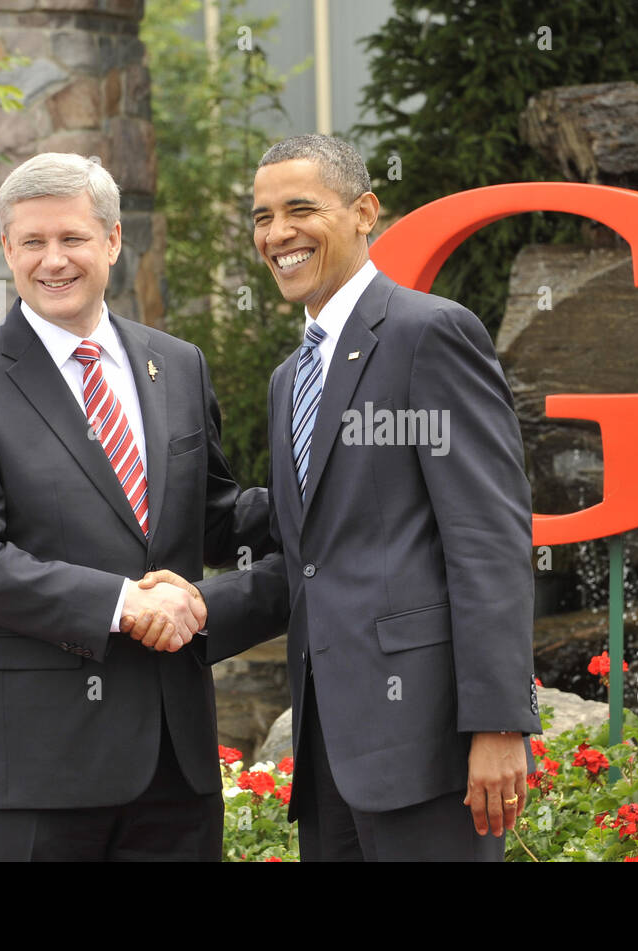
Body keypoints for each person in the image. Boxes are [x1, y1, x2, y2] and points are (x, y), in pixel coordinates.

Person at [136, 135, 540, 861]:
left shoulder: (430, 334)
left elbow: (488, 540)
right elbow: (310, 555)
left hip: (430, 747)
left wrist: (500, 723)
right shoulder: (291, 376)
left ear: (364, 212)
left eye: (300, 209)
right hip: (329, 754)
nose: (277, 234)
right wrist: (198, 606)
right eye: (261, 217)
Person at [0, 152, 281, 861]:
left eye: (73, 238)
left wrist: (333, 494)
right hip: (35, 769)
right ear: (8, 251)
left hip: (175, 765)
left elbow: (213, 517)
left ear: (111, 242)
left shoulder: (178, 364)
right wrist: (124, 603)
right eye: (33, 242)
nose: (54, 260)